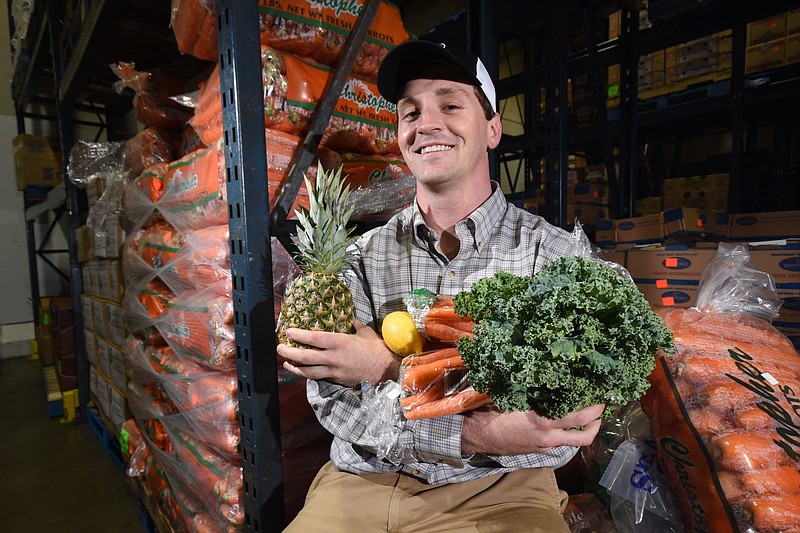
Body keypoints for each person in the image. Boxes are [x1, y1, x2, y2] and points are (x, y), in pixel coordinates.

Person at [278, 40, 604, 532]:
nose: (426, 123)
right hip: (363, 481)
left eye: (450, 105)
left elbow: (561, 426)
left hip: (502, 493)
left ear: (493, 129)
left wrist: (385, 368)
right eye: (410, 113)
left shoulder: (554, 257)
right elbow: (335, 402)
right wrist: (487, 427)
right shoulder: (358, 259)